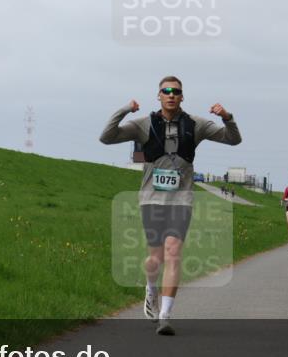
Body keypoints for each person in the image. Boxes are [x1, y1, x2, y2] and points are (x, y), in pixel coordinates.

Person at [100, 76, 241, 336]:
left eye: (176, 91)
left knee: (173, 252)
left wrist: (227, 117)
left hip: (182, 200)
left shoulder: (196, 125)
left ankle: (165, 315)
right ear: (159, 96)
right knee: (155, 258)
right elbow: (106, 138)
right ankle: (150, 289)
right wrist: (124, 110)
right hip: (152, 199)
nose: (171, 95)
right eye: (166, 91)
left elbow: (233, 140)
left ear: (182, 96)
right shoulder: (145, 124)